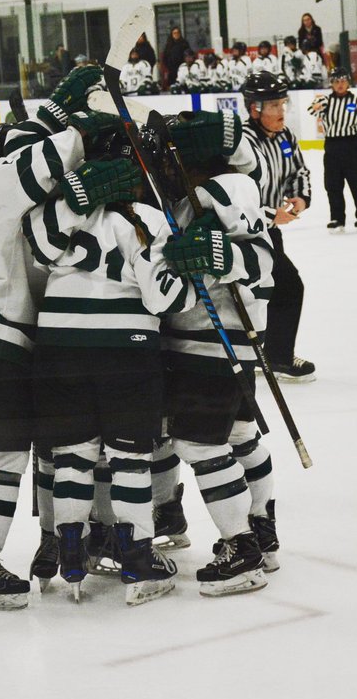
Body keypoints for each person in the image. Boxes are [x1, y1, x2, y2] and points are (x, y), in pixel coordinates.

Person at [0, 66, 120, 610]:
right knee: (3, 455)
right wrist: (80, 125)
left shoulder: (13, 202)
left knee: (27, 450)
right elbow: (44, 160)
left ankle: (21, 549)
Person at [22, 147, 195, 605]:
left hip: (58, 350)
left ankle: (72, 559)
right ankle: (137, 560)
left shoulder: (61, 214)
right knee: (129, 459)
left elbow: (36, 255)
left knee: (73, 458)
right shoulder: (147, 219)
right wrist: (188, 278)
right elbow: (164, 300)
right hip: (126, 352)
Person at [160, 110, 275, 596]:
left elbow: (260, 260)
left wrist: (220, 257)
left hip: (208, 338)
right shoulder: (232, 187)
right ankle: (263, 532)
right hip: (235, 340)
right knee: (241, 434)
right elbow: (264, 258)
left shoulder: (217, 192)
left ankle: (240, 547)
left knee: (201, 445)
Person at [241, 71, 315, 386]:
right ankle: (276, 356)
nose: (281, 111)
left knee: (275, 291)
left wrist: (299, 197)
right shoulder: (241, 142)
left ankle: (267, 352)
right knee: (287, 287)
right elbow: (233, 194)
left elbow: (298, 170)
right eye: (273, 105)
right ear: (255, 108)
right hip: (244, 232)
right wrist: (270, 212)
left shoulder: (285, 137)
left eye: (282, 103)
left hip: (271, 232)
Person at [308, 67, 357, 233]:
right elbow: (310, 111)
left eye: (343, 81)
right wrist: (318, 104)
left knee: (356, 183)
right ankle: (337, 218)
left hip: (352, 145)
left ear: (348, 83)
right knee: (332, 184)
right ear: (331, 84)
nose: (340, 85)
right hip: (332, 146)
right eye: (336, 81)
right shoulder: (326, 101)